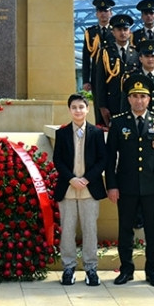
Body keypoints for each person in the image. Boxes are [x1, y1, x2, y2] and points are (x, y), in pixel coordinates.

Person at [105, 75, 154, 288]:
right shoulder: (119, 122)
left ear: (149, 99)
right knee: (125, 229)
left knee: (153, 230)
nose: (139, 100)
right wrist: (112, 185)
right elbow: (110, 158)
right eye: (135, 96)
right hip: (126, 186)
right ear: (128, 99)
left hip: (152, 187)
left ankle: (152, 270)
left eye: (143, 96)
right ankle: (126, 269)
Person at [53, 93, 107, 287]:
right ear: (69, 110)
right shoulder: (62, 133)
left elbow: (103, 159)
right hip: (68, 189)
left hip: (89, 190)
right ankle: (68, 268)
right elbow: (58, 160)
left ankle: (91, 268)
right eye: (74, 107)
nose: (78, 110)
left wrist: (86, 178)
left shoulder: (96, 133)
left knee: (90, 230)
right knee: (67, 230)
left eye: (81, 107)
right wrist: (71, 178)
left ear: (87, 109)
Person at [94, 13, 140, 127]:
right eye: (119, 30)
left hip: (132, 103)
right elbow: (99, 81)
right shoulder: (105, 52)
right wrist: (102, 106)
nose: (122, 33)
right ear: (113, 32)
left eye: (125, 29)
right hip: (112, 103)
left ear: (130, 32)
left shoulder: (137, 52)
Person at [80, 0, 115, 92]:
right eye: (100, 11)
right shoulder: (90, 32)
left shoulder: (116, 31)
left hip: (114, 73)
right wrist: (86, 80)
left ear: (111, 13)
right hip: (96, 76)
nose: (103, 14)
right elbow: (86, 58)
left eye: (106, 11)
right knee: (98, 100)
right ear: (96, 14)